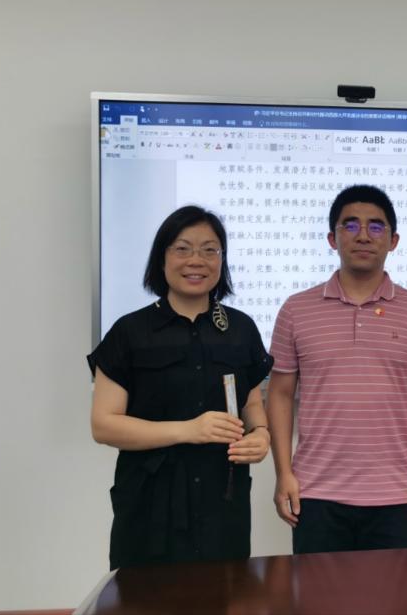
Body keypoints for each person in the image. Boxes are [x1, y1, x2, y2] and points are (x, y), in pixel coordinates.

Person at [87, 205, 273, 569]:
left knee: (226, 594)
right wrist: (189, 430)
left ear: (222, 260)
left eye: (209, 250)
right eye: (183, 249)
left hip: (224, 506)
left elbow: (252, 405)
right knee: (144, 598)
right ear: (162, 258)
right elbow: (103, 425)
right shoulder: (130, 332)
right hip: (150, 508)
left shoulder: (240, 328)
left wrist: (262, 435)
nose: (196, 261)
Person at [267, 184, 407, 554]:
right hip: (315, 493)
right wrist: (283, 473)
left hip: (398, 493)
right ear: (332, 238)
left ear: (393, 240)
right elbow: (280, 394)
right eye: (350, 225)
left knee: (396, 590)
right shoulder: (296, 309)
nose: (363, 235)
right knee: (317, 590)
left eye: (376, 226)